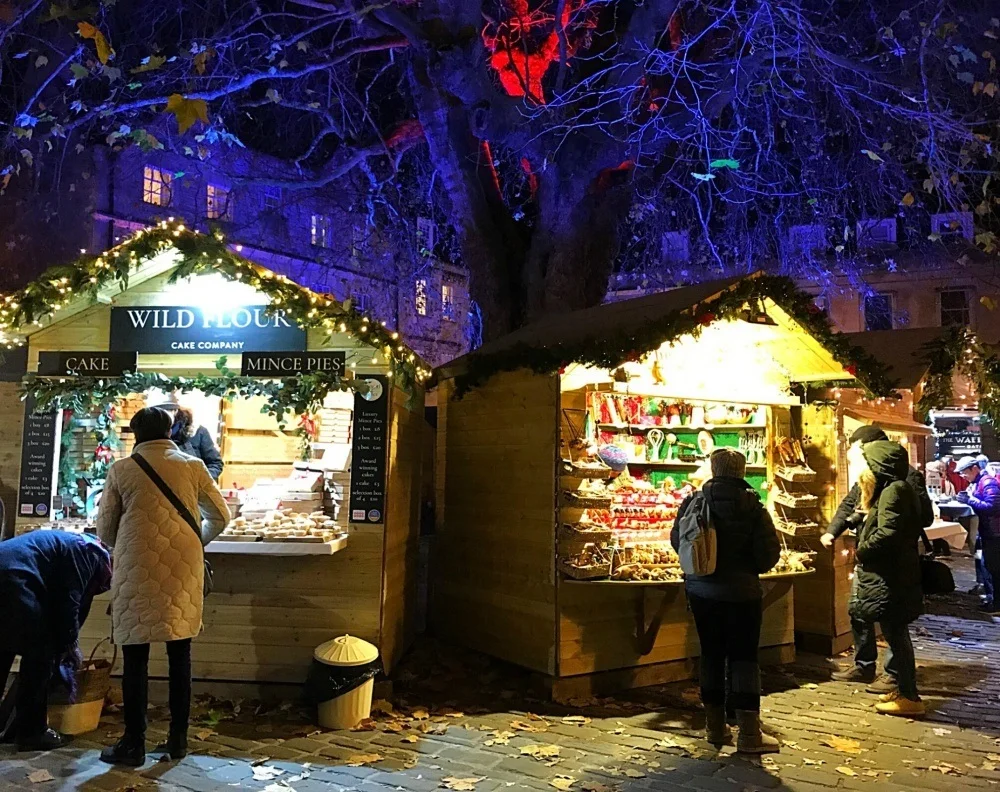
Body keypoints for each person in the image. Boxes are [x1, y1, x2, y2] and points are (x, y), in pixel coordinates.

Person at [97, 407, 229, 766]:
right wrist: (195, 540)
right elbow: (221, 515)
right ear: (170, 431)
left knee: (135, 655)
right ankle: (178, 739)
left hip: (136, 563)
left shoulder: (122, 469)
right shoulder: (193, 466)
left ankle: (134, 743)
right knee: (179, 651)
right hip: (184, 565)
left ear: (136, 433)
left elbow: (105, 530)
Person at [671, 447, 781, 753]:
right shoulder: (754, 508)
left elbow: (677, 540)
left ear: (713, 469)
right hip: (743, 594)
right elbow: (768, 556)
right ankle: (749, 734)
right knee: (744, 658)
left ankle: (715, 729)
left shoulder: (694, 502)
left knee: (711, 655)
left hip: (702, 592)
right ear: (741, 472)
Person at [822, 425, 933, 693]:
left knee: (892, 621)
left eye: (859, 449)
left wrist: (879, 529)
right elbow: (851, 503)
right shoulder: (870, 474)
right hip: (869, 557)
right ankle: (864, 665)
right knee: (858, 609)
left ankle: (896, 676)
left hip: (889, 559)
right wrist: (833, 531)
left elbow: (921, 517)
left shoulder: (904, 479)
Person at [0, 531, 111, 751]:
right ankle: (32, 732)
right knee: (40, 654)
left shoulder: (69, 545)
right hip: (14, 579)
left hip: (10, 574)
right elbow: (70, 603)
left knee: (2, 651)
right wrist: (68, 646)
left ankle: (18, 727)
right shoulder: (90, 553)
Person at [850, 440, 925, 716]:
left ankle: (910, 697)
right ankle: (906, 689)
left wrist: (862, 551)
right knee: (897, 635)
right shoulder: (897, 488)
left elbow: (888, 532)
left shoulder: (894, 490)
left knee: (897, 636)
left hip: (891, 578)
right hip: (896, 575)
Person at [955, 455, 1000, 612]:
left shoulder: (987, 482)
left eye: (964, 473)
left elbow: (992, 506)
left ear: (974, 469)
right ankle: (993, 599)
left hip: (995, 532)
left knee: (994, 568)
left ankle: (997, 603)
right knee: (987, 566)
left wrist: (969, 500)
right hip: (989, 531)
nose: (963, 477)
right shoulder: (979, 482)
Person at [153, 398, 224, 481]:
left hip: (193, 490)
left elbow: (215, 463)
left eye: (165, 412)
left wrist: (200, 481)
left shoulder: (197, 432)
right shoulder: (151, 435)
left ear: (175, 411)